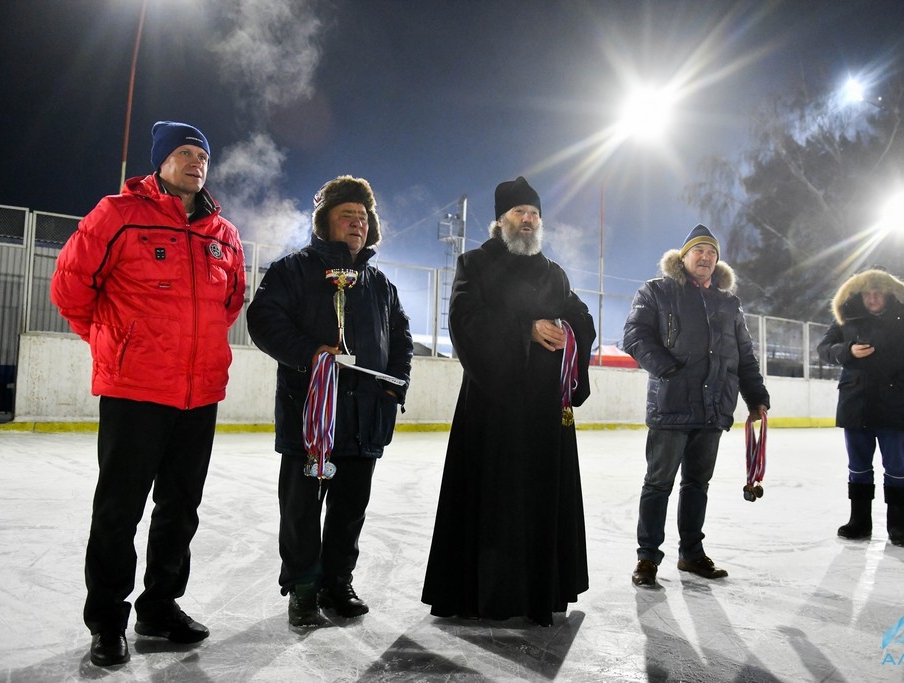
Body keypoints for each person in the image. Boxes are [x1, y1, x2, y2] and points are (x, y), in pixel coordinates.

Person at [50, 121, 246, 667]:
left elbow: (231, 303)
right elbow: (70, 287)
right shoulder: (116, 214)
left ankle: (160, 606)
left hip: (199, 391)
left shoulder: (223, 234)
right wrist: (117, 344)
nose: (196, 163)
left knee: (180, 509)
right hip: (135, 389)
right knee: (119, 509)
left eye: (202, 156)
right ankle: (107, 621)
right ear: (159, 162)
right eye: (184, 153)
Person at [421, 176, 596, 627]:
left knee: (541, 502)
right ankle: (486, 597)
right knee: (492, 501)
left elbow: (581, 318)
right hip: (493, 410)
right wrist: (527, 330)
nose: (528, 220)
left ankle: (541, 593)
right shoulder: (474, 263)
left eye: (534, 214)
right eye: (519, 212)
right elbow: (464, 320)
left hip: (544, 411)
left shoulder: (553, 271)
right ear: (500, 220)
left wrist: (568, 332)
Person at [246, 175, 412, 628]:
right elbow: (261, 320)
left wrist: (396, 383)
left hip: (363, 420)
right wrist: (308, 353)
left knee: (349, 508)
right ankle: (302, 588)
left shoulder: (380, 284)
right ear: (324, 222)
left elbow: (401, 338)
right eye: (347, 216)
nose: (357, 223)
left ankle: (338, 581)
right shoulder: (292, 270)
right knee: (301, 509)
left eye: (363, 217)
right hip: (310, 417)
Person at [621, 224, 769, 587]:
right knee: (658, 484)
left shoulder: (728, 303)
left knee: (697, 484)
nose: (705, 257)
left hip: (714, 407)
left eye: (712, 253)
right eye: (698, 251)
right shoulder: (656, 292)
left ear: (718, 262)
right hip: (671, 404)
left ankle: (691, 554)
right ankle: (647, 558)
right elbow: (635, 335)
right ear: (683, 257)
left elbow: (744, 356)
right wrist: (667, 368)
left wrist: (757, 398)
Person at [817, 267, 904, 548]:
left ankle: (898, 526)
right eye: (867, 293)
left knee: (896, 468)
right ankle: (859, 522)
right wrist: (846, 351)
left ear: (889, 292)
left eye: (878, 292)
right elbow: (824, 348)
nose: (872, 299)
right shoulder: (847, 316)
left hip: (895, 407)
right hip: (855, 404)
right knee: (858, 467)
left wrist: (902, 387)